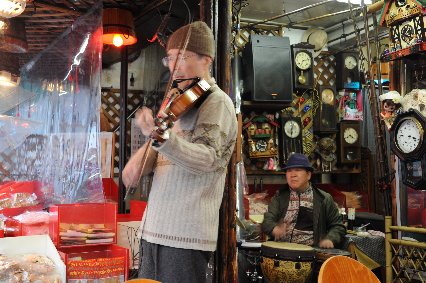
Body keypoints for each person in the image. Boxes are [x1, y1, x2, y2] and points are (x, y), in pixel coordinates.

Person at [122, 21, 238, 282]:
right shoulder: (179, 104)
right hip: (153, 229)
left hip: (186, 233)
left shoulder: (217, 101)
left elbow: (209, 158)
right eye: (170, 58)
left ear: (206, 59)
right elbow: (141, 167)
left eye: (182, 57)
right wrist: (151, 137)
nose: (174, 66)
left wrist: (162, 136)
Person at [262, 153, 346, 249]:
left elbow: (338, 227)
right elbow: (267, 221)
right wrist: (275, 229)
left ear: (308, 175)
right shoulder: (279, 197)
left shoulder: (324, 199)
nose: (293, 175)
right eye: (289, 171)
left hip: (311, 253)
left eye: (298, 170)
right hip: (281, 252)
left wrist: (330, 239)